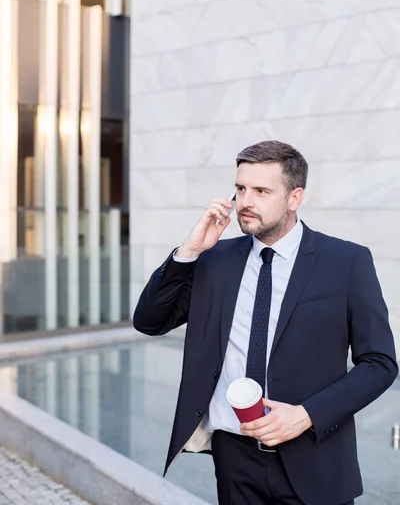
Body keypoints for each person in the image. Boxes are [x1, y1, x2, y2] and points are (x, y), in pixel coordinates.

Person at [133, 140, 398, 505]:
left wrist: (307, 415)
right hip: (234, 458)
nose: (245, 201)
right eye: (241, 188)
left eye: (261, 191)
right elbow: (149, 321)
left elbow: (380, 364)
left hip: (314, 455)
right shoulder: (215, 260)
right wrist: (189, 250)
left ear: (294, 198)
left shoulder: (346, 261)